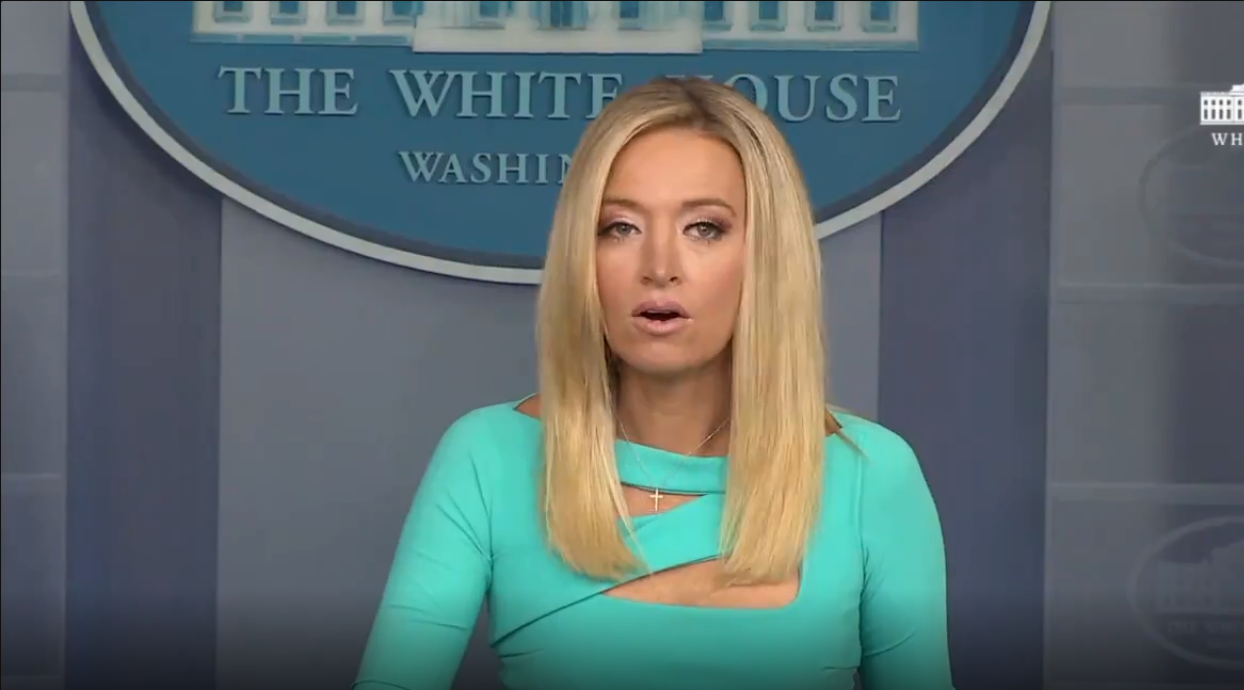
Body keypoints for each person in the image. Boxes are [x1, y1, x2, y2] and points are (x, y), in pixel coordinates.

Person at [352, 76, 953, 690]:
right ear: (583, 258)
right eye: (620, 227)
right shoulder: (488, 457)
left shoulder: (870, 475)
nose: (659, 267)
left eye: (704, 228)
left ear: (767, 257)